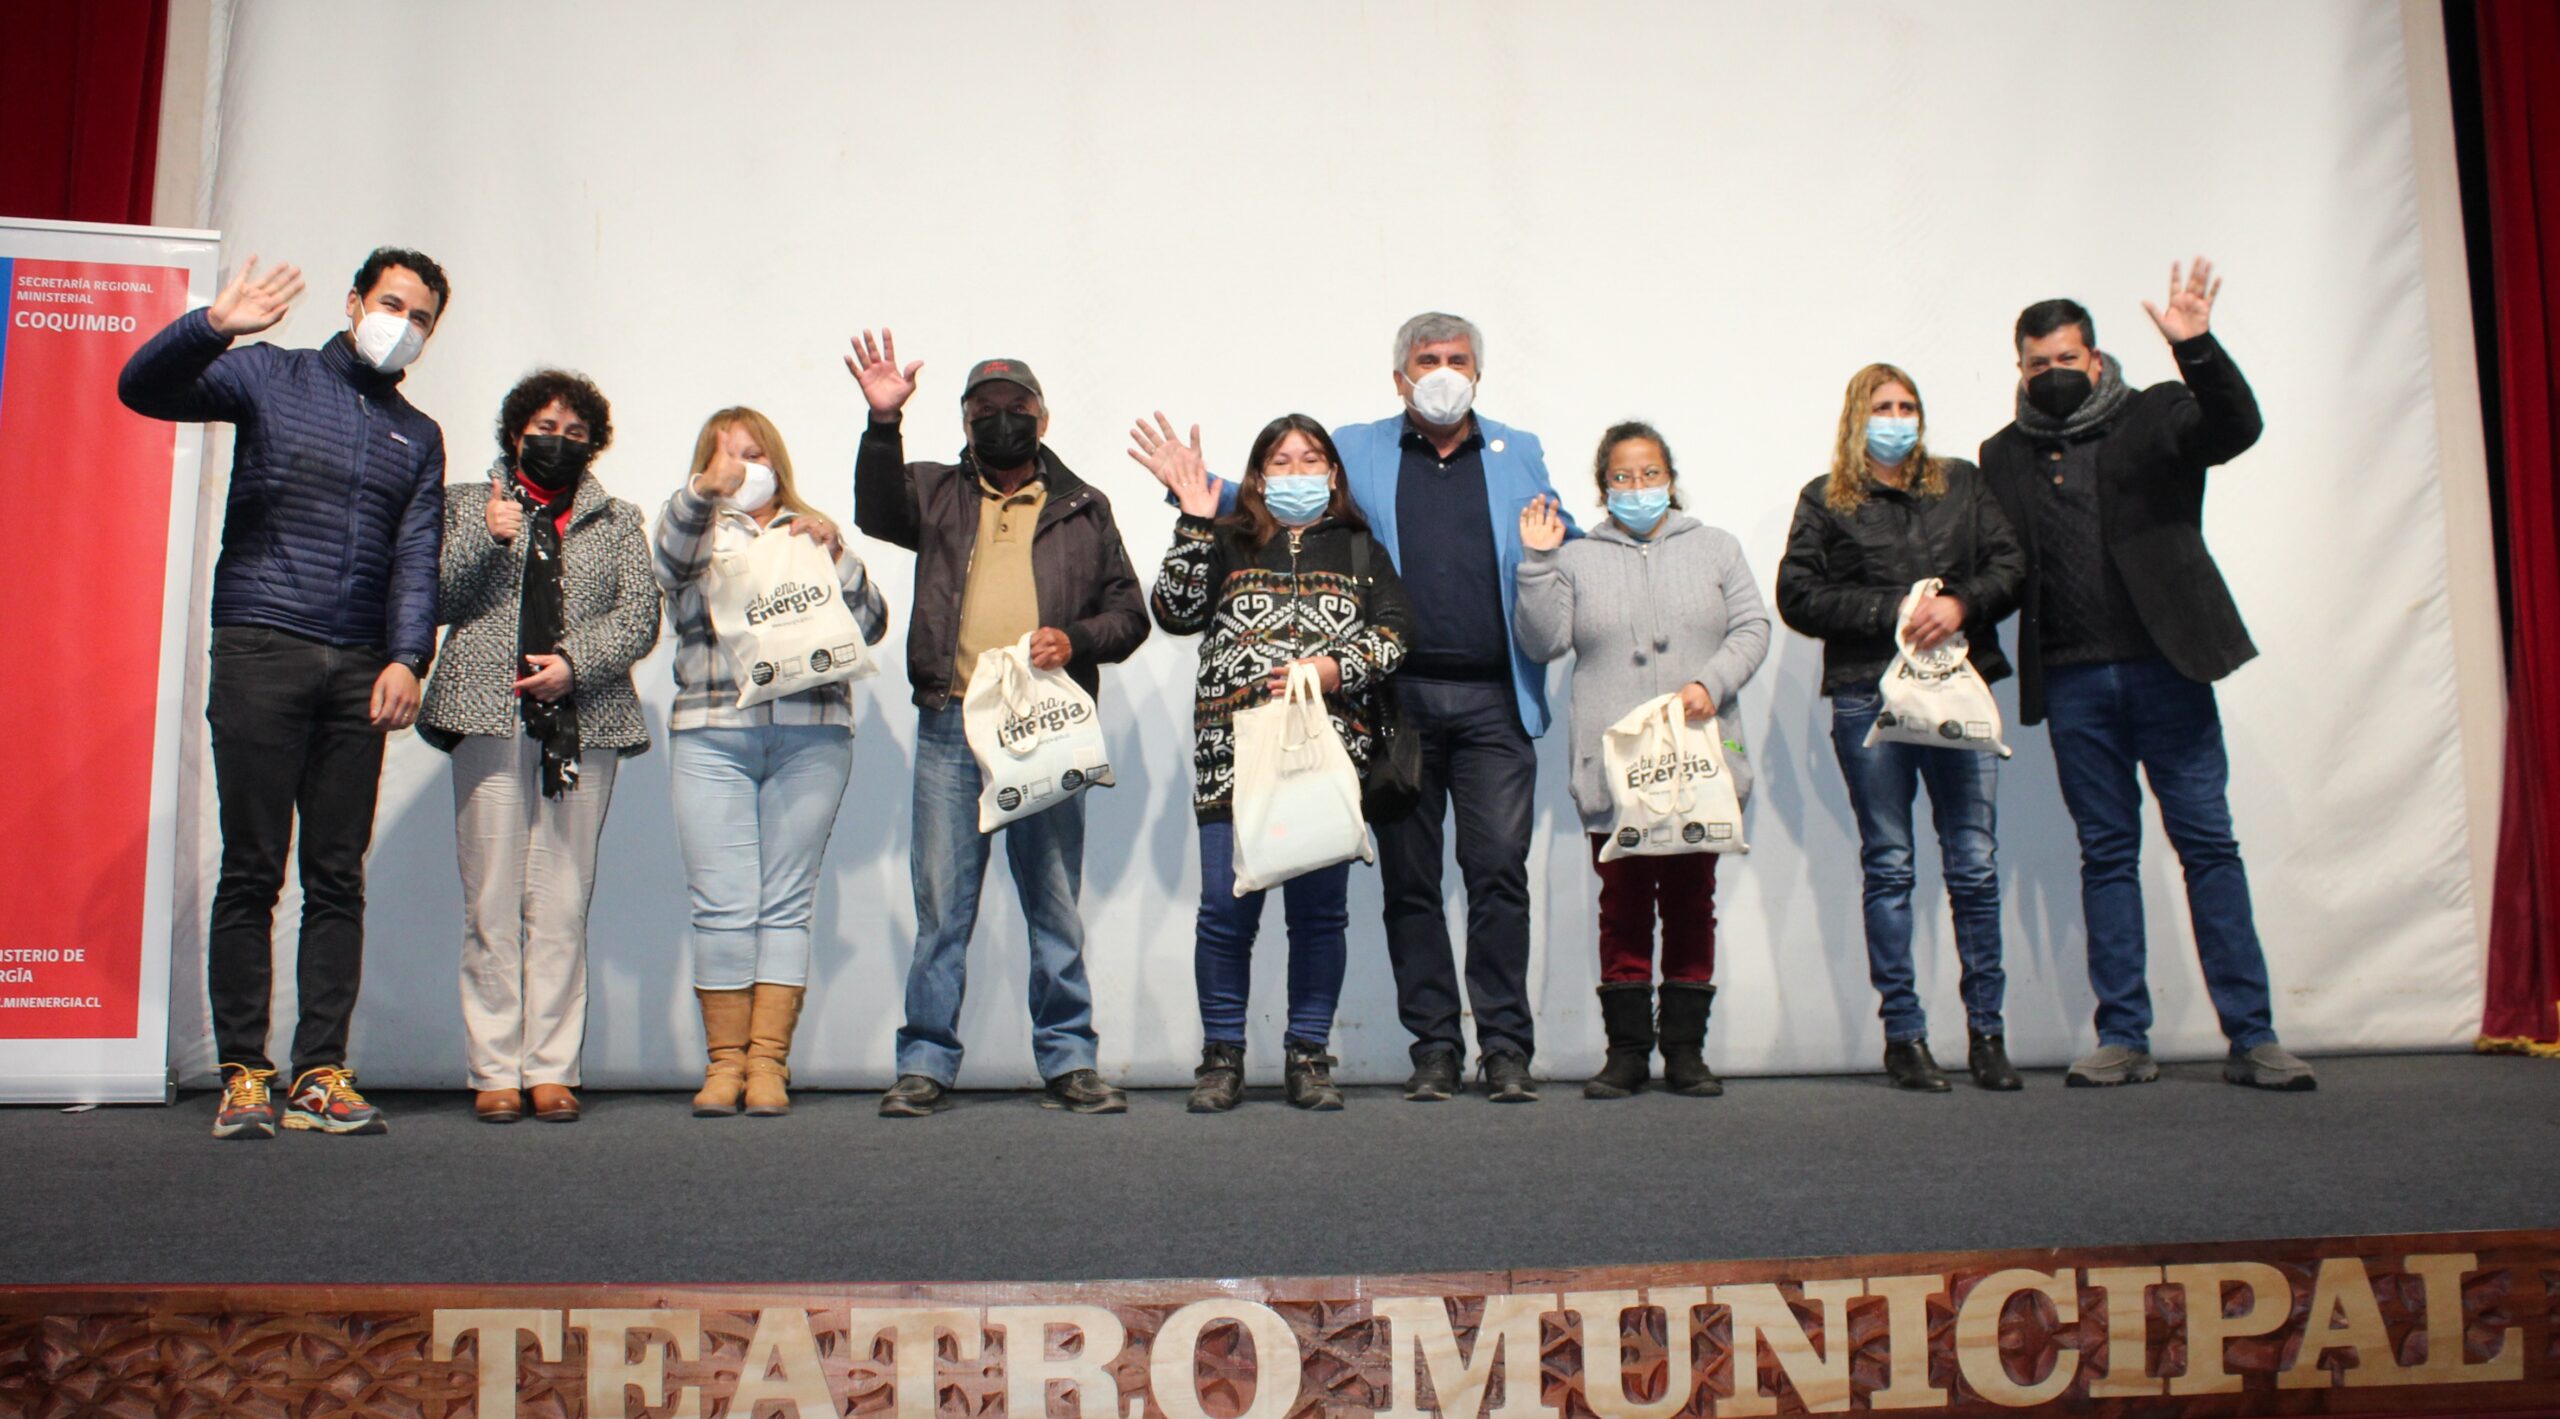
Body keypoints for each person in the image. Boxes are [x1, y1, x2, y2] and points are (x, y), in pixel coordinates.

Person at [1137, 312, 1576, 1103]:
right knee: (1405, 885)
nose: (1444, 371)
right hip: (1390, 714)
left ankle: (1505, 1048)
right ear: (1399, 375)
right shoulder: (1361, 448)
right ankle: (1433, 1050)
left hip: (1487, 703)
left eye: (1458, 359)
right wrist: (1198, 501)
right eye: (1427, 359)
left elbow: (1553, 536)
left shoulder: (1519, 451)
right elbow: (1268, 517)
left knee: (1498, 875)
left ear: (1479, 370)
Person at [118, 247, 450, 1140]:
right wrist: (212, 326)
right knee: (253, 867)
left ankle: (321, 1074)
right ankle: (243, 1072)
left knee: (336, 874)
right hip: (262, 645)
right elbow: (141, 389)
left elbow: (417, 556)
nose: (403, 325)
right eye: (392, 304)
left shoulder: (417, 435)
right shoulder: (269, 375)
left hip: (360, 671)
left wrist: (408, 657)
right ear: (353, 303)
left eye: (421, 317)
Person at [1978, 258, 2314, 1091]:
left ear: (2095, 359)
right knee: (2106, 854)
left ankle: (2254, 1034)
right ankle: (2123, 1034)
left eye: (2067, 359)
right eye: (2036, 364)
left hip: (2169, 667)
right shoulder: (2003, 454)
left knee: (2208, 845)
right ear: (2018, 370)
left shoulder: (2157, 412)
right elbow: (2001, 565)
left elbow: (2236, 430)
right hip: (2074, 682)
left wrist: (2196, 347)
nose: (2052, 374)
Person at [848, 331, 1151, 1117]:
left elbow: (1130, 615)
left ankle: (1069, 1060)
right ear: (965, 422)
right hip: (953, 724)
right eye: (984, 410)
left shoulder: (1083, 505)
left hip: (1045, 727)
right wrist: (884, 424)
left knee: (1053, 902)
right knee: (943, 907)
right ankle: (924, 1061)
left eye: (1015, 408)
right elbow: (876, 510)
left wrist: (1075, 639)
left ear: (1042, 420)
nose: (1001, 420)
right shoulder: (939, 492)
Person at [1136, 413, 1414, 1111]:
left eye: (1311, 459)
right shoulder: (1230, 540)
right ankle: (1221, 1056)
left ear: (1333, 474)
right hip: (1231, 759)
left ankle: (1308, 1055)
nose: (1297, 473)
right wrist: (1197, 521)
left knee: (1319, 918)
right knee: (1225, 916)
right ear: (1260, 477)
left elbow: (1395, 635)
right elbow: (1173, 610)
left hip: (1324, 760)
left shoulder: (1360, 548)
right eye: (1281, 462)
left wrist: (1333, 666)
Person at [418, 370, 661, 1124]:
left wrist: (575, 664)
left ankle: (551, 1067)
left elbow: (640, 616)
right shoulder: (465, 503)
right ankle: (494, 1068)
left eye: (576, 432)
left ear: (594, 444)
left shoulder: (618, 519)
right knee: (491, 900)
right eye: (545, 426)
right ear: (516, 429)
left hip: (583, 722)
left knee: (561, 902)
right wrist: (488, 542)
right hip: (487, 718)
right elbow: (432, 598)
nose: (559, 440)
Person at [1777, 365, 2026, 1092]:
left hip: (1961, 693)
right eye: (1882, 406)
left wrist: (1962, 604)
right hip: (1868, 698)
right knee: (1890, 864)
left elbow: (2011, 564)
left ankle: (1988, 1032)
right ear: (1857, 418)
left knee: (1974, 865)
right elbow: (1797, 594)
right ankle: (1905, 1035)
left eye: (1907, 405)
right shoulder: (1825, 500)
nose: (1897, 416)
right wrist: (1894, 609)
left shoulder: (1962, 483)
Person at [1515, 422, 1768, 1099]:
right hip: (1615, 767)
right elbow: (1542, 643)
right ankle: (1626, 1052)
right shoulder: (1576, 557)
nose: (1637, 487)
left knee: (1691, 902)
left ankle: (1686, 1051)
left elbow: (1753, 626)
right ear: (1604, 488)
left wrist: (1708, 684)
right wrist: (1538, 564)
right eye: (1622, 477)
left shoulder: (1716, 548)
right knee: (1622, 906)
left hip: (1700, 764)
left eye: (1649, 473)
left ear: (1670, 478)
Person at [653, 407, 887, 1118]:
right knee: (721, 903)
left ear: (778, 460)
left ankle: (767, 1065)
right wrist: (702, 492)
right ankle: (724, 1063)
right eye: (729, 456)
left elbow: (871, 622)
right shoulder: (696, 531)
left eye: (755, 454)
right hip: (713, 731)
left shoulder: (809, 530)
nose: (745, 467)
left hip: (813, 734)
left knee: (786, 903)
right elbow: (668, 566)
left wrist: (838, 551)